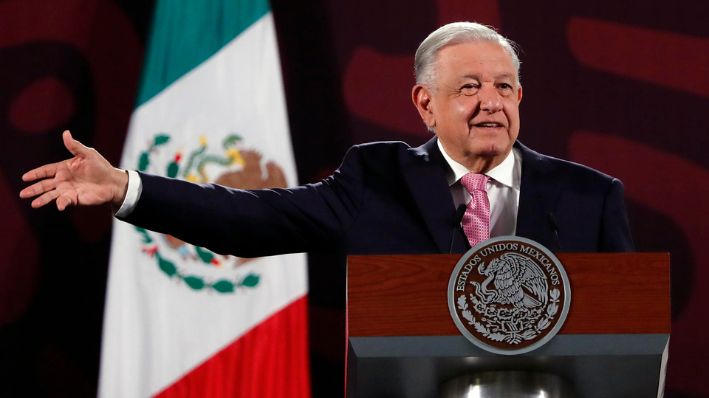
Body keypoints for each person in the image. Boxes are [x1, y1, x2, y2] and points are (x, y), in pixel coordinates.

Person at [20, 22, 634, 255]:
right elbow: (251, 219)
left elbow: (627, 338)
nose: (491, 102)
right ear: (425, 104)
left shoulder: (589, 198)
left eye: (504, 86)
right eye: (468, 87)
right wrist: (128, 188)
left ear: (521, 99)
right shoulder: (378, 180)